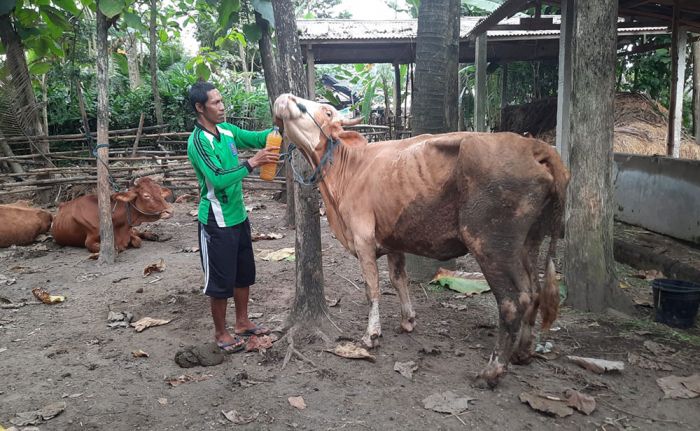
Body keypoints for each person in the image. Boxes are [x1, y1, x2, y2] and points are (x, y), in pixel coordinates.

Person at [186, 81, 279, 352]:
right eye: (216, 103)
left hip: (238, 217)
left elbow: (257, 138)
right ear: (200, 108)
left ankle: (242, 322)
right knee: (219, 281)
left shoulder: (226, 130)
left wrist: (278, 128)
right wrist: (252, 163)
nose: (222, 106)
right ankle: (220, 332)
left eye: (222, 100)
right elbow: (216, 178)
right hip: (216, 220)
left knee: (243, 274)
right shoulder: (199, 141)